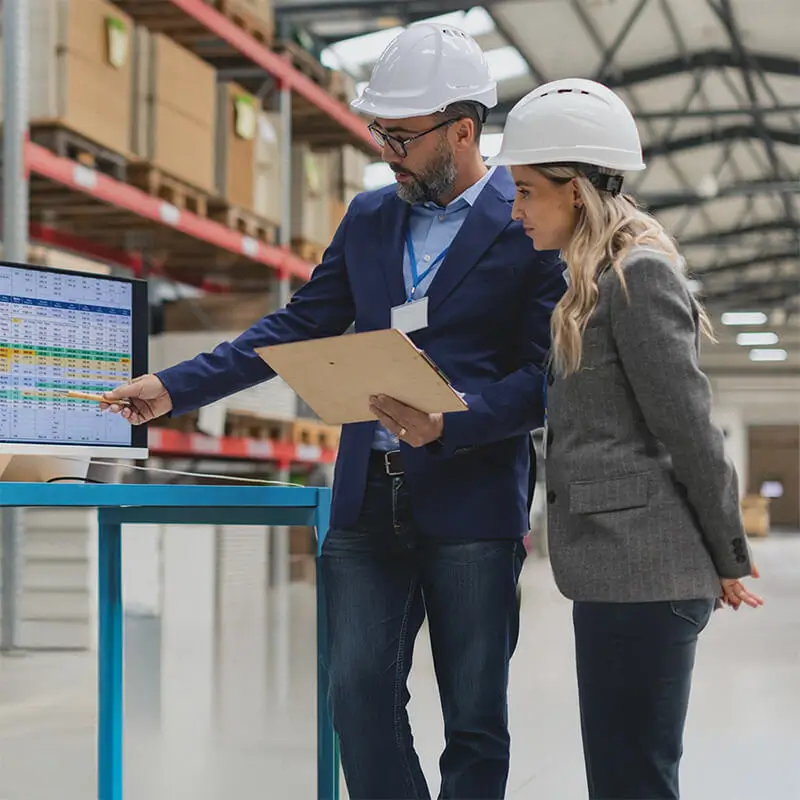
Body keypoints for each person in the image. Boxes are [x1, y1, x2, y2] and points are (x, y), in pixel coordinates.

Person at [103, 23, 565, 800]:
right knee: (358, 702)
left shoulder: (528, 225)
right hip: (366, 499)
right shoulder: (370, 218)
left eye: (404, 136)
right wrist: (178, 387)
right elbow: (295, 326)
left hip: (473, 499)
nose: (388, 150)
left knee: (476, 721)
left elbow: (544, 377)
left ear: (463, 128)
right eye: (379, 132)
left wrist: (455, 422)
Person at [487, 77, 764, 800]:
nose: (514, 209)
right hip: (617, 573)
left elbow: (689, 426)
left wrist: (728, 554)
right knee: (622, 778)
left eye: (524, 192)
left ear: (573, 189)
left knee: (633, 781)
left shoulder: (638, 277)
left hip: (647, 572)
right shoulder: (588, 281)